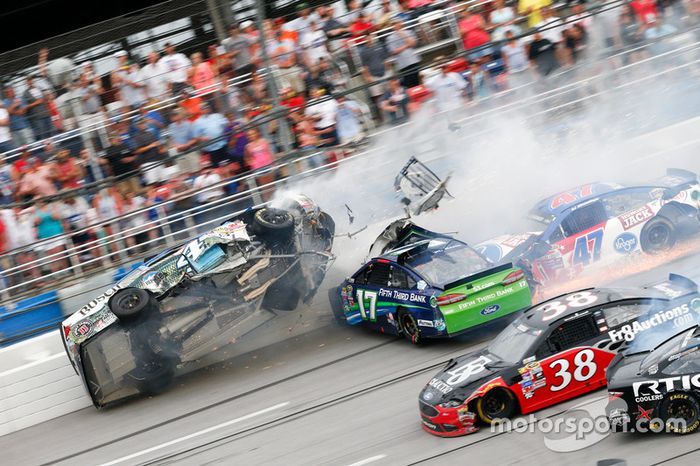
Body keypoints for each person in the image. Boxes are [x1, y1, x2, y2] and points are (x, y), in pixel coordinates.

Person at [423, 59, 468, 130]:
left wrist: (465, 100)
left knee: (462, 123)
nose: (443, 70)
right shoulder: (434, 80)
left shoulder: (454, 76)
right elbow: (427, 87)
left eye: (445, 67)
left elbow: (462, 88)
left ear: (448, 67)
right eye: (441, 68)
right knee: (450, 127)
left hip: (456, 104)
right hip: (444, 108)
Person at [360, 32, 389, 121]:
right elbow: (365, 66)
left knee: (388, 95)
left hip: (384, 74)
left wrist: (388, 72)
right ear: (365, 39)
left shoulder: (379, 46)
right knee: (378, 99)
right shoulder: (363, 52)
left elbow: (385, 60)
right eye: (367, 37)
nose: (369, 38)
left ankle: (392, 114)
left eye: (370, 36)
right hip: (373, 77)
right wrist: (368, 77)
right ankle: (383, 118)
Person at [34, 200, 67, 275]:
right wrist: (41, 215)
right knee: (51, 255)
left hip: (56, 232)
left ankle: (65, 271)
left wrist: (48, 212)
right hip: (45, 235)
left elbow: (56, 217)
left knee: (60, 253)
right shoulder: (36, 211)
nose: (40, 202)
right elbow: (36, 222)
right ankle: (56, 273)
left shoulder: (52, 207)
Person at [387, 20, 421, 88]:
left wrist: (403, 35)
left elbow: (413, 43)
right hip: (403, 64)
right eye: (394, 24)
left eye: (397, 23)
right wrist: (406, 46)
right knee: (408, 84)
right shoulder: (390, 38)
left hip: (413, 60)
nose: (396, 25)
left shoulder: (409, 32)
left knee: (417, 81)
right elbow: (394, 51)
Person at [193, 103, 229, 168]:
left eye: (207, 107)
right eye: (203, 108)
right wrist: (202, 138)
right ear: (200, 110)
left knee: (227, 165)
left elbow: (227, 124)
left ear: (209, 108)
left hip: (222, 145)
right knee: (217, 168)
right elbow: (196, 137)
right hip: (211, 149)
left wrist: (224, 130)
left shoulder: (217, 116)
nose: (205, 109)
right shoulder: (197, 122)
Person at [132, 117, 165, 185]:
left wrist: (160, 147)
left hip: (157, 159)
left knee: (163, 181)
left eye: (143, 123)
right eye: (140, 124)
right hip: (148, 162)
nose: (143, 125)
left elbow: (156, 143)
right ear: (137, 126)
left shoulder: (149, 133)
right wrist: (151, 146)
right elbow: (138, 150)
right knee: (153, 184)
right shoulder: (137, 136)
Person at [168, 109, 198, 175]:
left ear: (180, 115)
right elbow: (171, 140)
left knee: (195, 171)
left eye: (176, 115)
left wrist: (186, 145)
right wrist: (175, 145)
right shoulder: (171, 127)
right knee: (184, 174)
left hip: (190, 151)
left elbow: (195, 139)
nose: (175, 117)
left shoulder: (189, 124)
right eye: (173, 116)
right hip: (179, 153)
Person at [23, 75, 53, 141]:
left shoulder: (39, 88)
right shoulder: (25, 93)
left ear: (32, 81)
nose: (30, 82)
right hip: (38, 117)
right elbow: (25, 106)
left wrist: (47, 98)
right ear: (26, 83)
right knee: (44, 136)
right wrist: (36, 103)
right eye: (28, 81)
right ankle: (47, 150)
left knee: (52, 133)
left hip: (47, 114)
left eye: (30, 80)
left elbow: (47, 99)